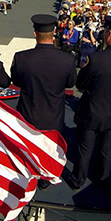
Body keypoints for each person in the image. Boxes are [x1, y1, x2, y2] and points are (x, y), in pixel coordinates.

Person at [65, 16, 111, 190]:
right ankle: (103, 177)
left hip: (92, 111)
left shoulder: (96, 59)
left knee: (85, 149)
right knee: (107, 148)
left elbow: (81, 84)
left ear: (109, 33)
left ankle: (78, 179)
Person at [11, 14, 76, 189]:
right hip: (53, 113)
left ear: (35, 33)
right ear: (54, 32)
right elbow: (70, 83)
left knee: (27, 147)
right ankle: (45, 179)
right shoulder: (67, 60)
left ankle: (27, 175)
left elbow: (16, 81)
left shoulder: (21, 58)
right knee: (49, 149)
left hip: (28, 111)